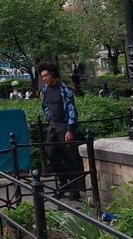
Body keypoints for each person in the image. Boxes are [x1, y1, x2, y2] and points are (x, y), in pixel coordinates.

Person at [37, 61, 85, 200]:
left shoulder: (64, 89)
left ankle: (75, 189)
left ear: (52, 74)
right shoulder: (45, 89)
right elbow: (45, 106)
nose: (44, 78)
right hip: (53, 127)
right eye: (42, 76)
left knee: (71, 158)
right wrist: (50, 120)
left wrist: (70, 129)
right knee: (51, 155)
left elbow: (71, 110)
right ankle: (64, 184)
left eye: (46, 75)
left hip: (65, 127)